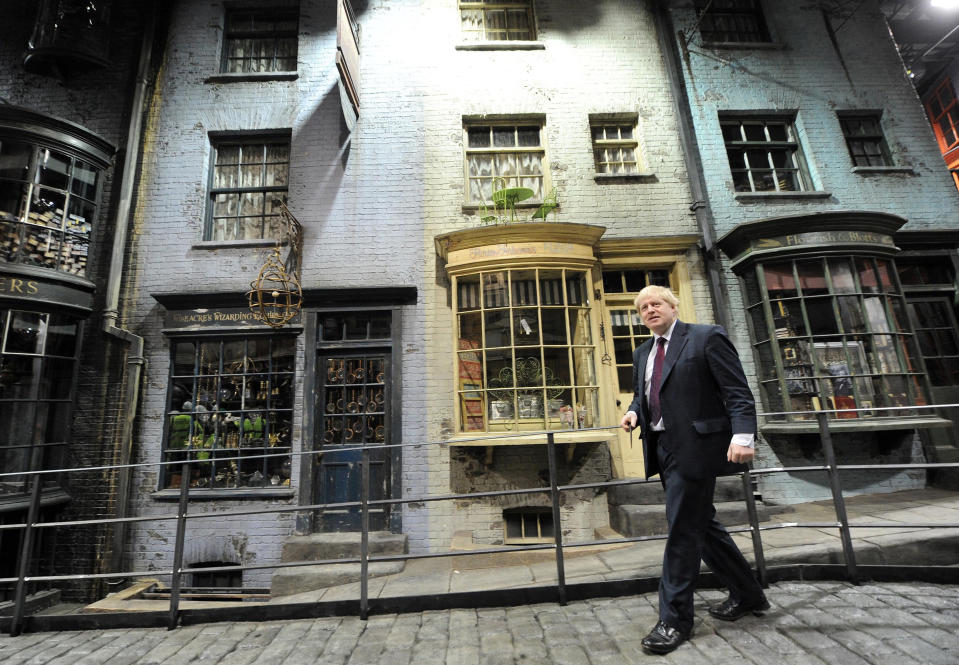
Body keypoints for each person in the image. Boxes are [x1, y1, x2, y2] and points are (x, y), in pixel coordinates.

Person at [619, 285, 768, 655]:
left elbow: (737, 390)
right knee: (703, 526)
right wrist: (635, 411)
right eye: (642, 308)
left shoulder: (705, 337)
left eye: (656, 303)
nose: (649, 310)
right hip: (662, 448)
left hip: (697, 448)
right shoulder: (643, 352)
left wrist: (744, 437)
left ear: (672, 306)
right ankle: (749, 595)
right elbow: (645, 392)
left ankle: (674, 619)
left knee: (683, 529)